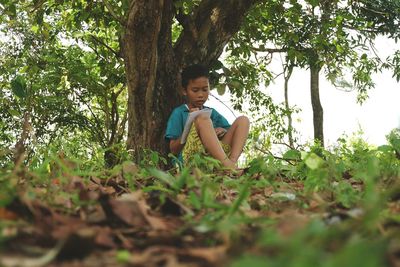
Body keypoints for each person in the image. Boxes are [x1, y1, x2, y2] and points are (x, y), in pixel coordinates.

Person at [165, 64, 250, 170]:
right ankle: (228, 166)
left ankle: (232, 162)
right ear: (184, 90)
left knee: (243, 120)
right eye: (195, 90)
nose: (201, 95)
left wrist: (222, 130)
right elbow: (173, 149)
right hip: (191, 161)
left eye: (205, 90)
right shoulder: (179, 113)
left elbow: (231, 132)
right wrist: (191, 126)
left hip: (213, 159)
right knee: (202, 120)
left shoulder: (212, 112)